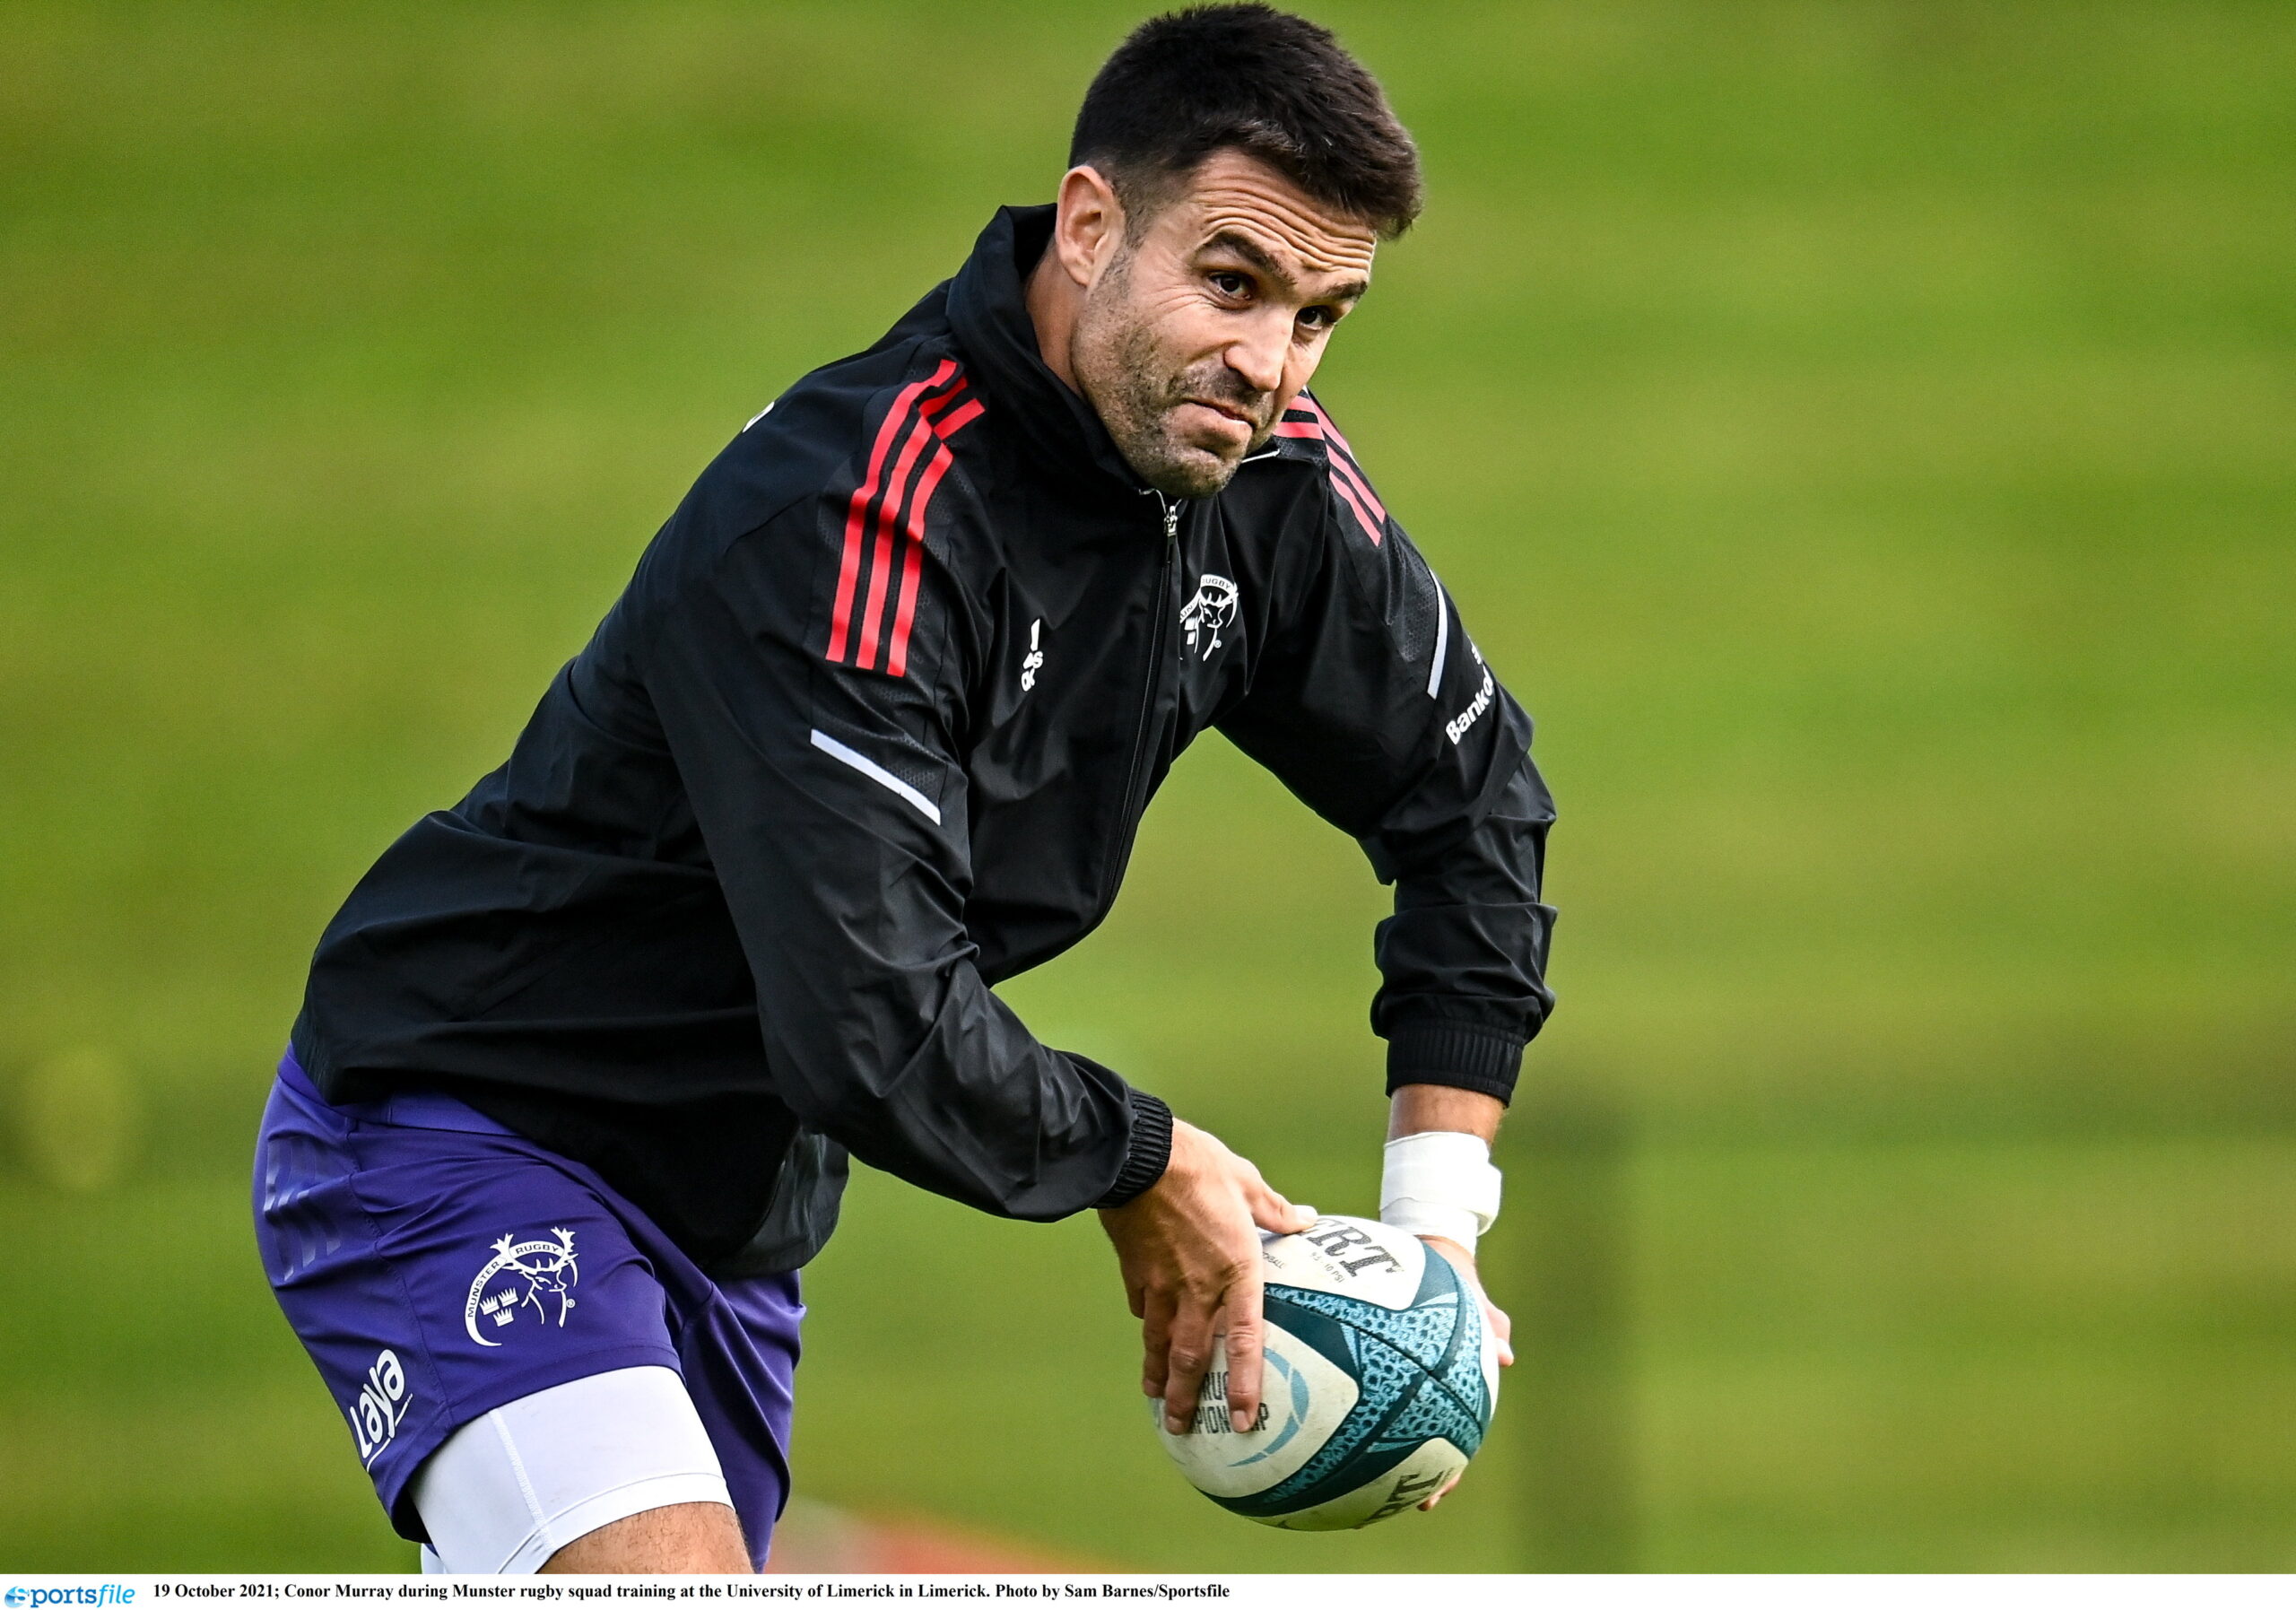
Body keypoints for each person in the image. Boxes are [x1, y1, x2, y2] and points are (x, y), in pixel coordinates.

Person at [254, 3, 1554, 1573]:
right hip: (468, 1122)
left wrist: (1433, 1223)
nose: (1269, 364)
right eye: (1232, 282)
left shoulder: (1263, 481)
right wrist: (1140, 1160)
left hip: (735, 1224)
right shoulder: (855, 518)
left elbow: (1473, 802)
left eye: (1321, 315)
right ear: (1090, 227)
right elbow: (867, 1011)